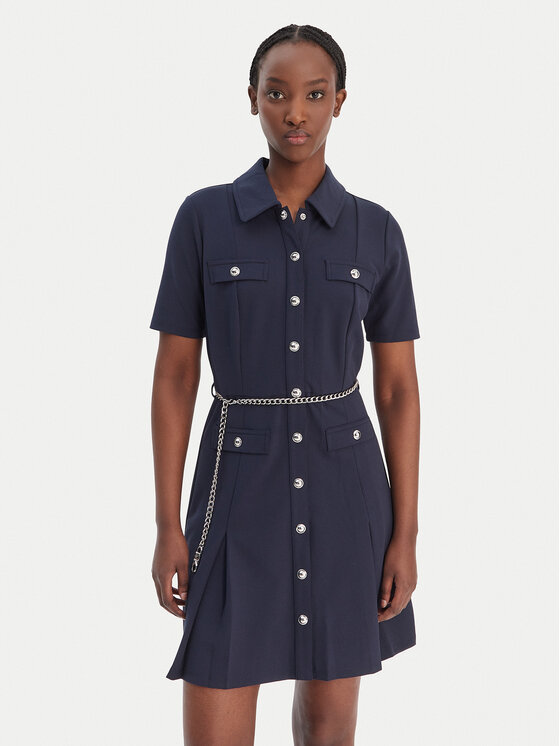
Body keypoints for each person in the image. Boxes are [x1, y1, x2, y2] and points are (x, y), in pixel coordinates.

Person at [149, 23, 421, 746]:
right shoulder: (204, 218)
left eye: (314, 95)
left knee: (329, 732)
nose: (295, 112)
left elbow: (397, 389)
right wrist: (168, 524)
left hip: (345, 495)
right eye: (277, 94)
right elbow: (175, 376)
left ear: (340, 102)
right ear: (252, 99)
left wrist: (405, 533)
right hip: (235, 489)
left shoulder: (377, 231)